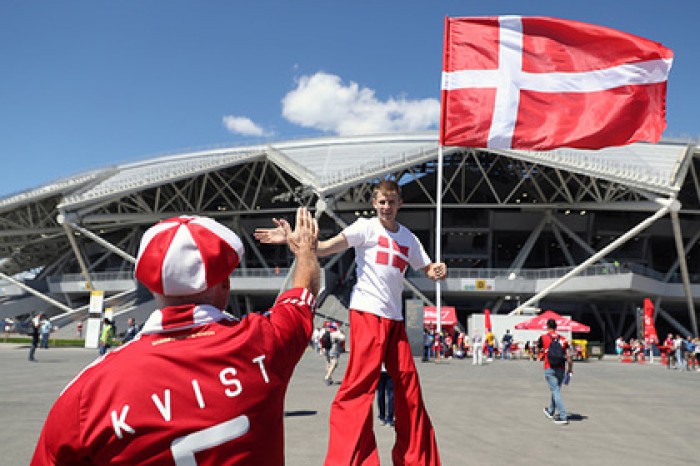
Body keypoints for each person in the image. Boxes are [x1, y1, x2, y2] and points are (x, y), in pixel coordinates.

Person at [31, 207, 320, 465]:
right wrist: (305, 251)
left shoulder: (87, 394)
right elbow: (302, 294)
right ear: (225, 282)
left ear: (152, 286)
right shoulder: (265, 342)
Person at [255, 179, 446, 465]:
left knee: (409, 388)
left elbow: (427, 267)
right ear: (374, 203)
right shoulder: (364, 228)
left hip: (394, 320)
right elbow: (325, 248)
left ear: (400, 204)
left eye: (392, 202)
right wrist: (296, 240)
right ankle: (350, 460)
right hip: (366, 313)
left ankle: (417, 459)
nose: (386, 207)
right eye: (382, 202)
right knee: (359, 388)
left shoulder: (408, 238)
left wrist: (436, 270)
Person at [537, 318, 573, 426]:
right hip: (561, 368)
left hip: (549, 367)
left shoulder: (543, 338)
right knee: (556, 389)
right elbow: (569, 356)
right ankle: (550, 411)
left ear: (547, 326)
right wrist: (570, 369)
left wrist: (543, 353)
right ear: (556, 327)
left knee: (556, 390)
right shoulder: (563, 339)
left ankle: (563, 416)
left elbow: (538, 350)